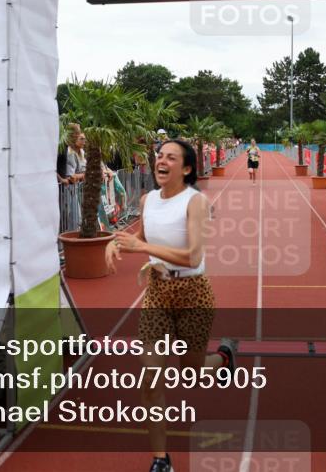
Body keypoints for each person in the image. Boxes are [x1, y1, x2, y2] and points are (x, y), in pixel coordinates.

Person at [106, 138, 235, 472]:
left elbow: (193, 256)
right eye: (159, 155)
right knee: (150, 376)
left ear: (187, 168)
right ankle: (161, 459)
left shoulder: (196, 202)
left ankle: (222, 358)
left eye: (171, 157)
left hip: (193, 294)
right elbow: (145, 241)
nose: (161, 161)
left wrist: (138, 246)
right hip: (158, 293)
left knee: (190, 373)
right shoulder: (147, 199)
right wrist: (115, 243)